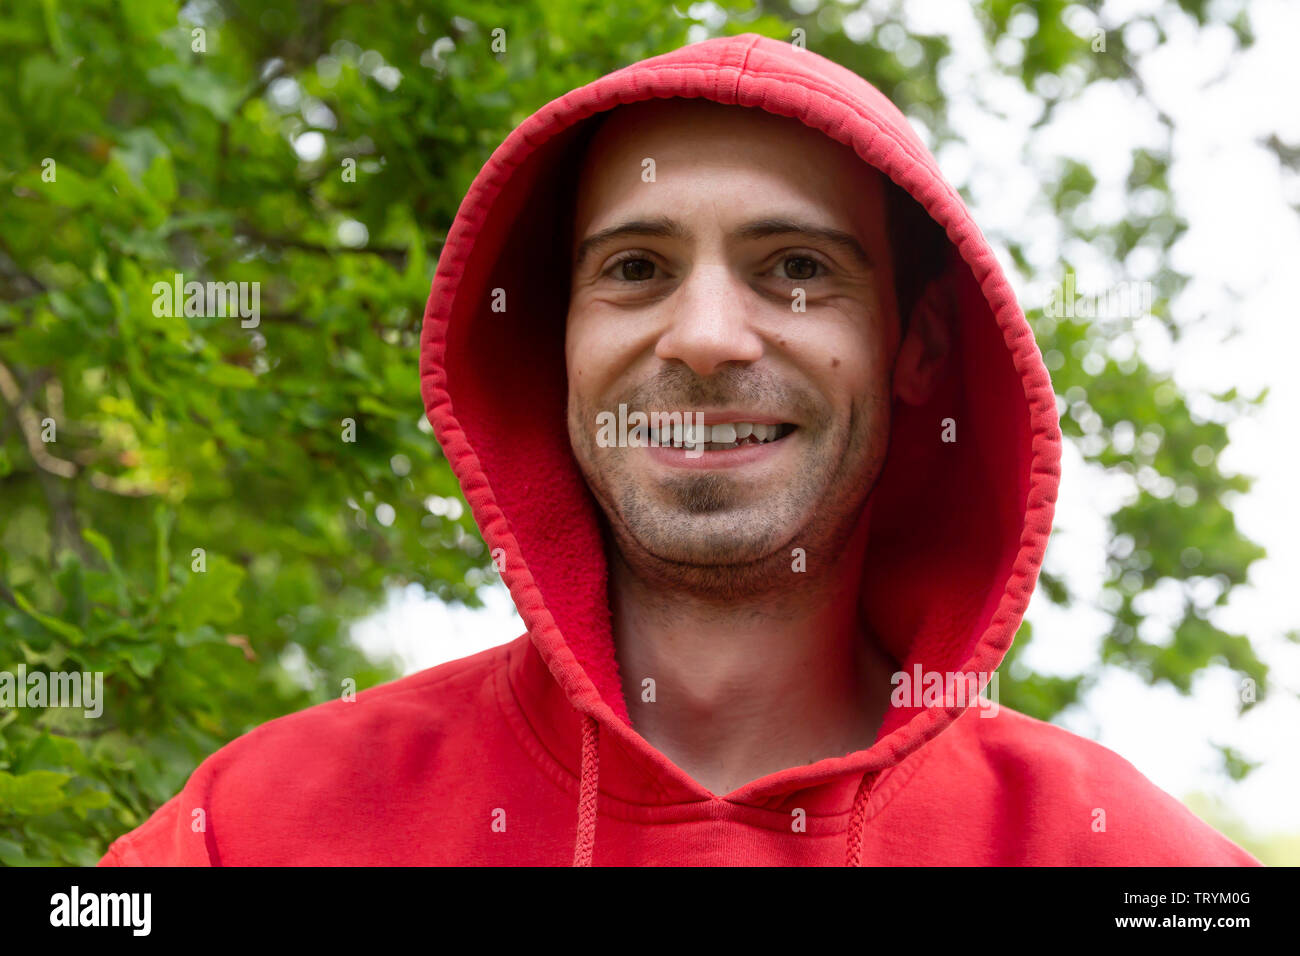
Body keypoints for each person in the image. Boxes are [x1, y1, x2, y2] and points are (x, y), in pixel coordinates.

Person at [100, 33, 1259, 866]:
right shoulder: (255, 829)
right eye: (635, 269)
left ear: (918, 347)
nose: (704, 337)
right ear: (556, 344)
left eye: (796, 269)